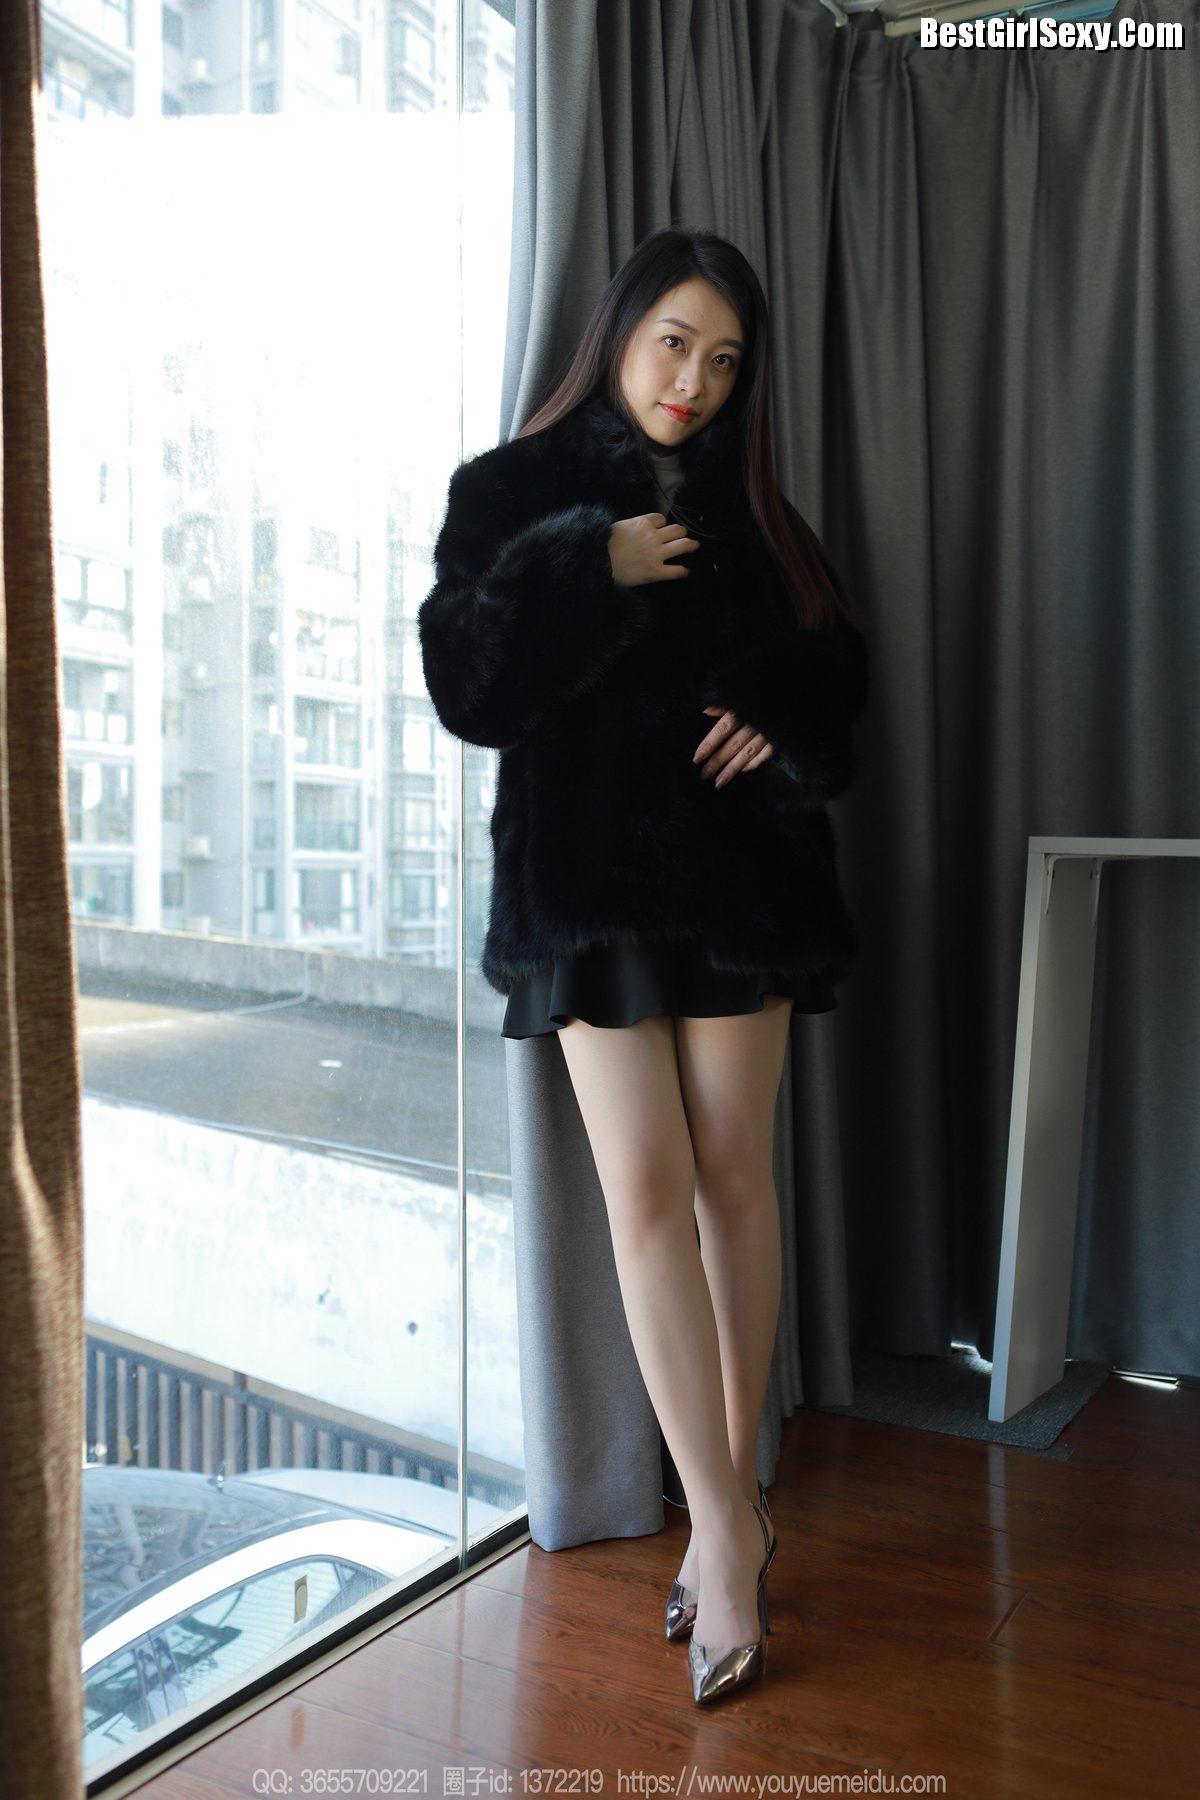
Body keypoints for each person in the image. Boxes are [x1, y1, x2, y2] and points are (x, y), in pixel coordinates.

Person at [419, 227, 868, 1706]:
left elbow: (840, 675)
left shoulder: (758, 511)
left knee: (737, 1177)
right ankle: (726, 1529)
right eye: (675, 341)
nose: (695, 380)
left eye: (724, 359)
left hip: (742, 881)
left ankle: (730, 1502)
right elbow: (466, 684)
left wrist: (782, 708)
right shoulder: (507, 491)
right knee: (646, 1190)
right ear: (619, 332)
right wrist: (586, 566)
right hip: (590, 885)